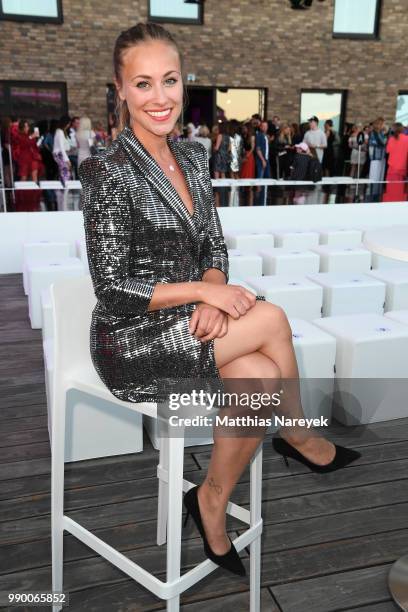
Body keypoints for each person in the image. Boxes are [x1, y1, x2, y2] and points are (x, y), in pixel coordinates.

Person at [79, 21, 361, 579]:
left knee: (257, 378)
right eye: (143, 84)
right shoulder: (106, 173)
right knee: (273, 316)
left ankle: (210, 499)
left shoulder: (193, 158)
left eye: (170, 80)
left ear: (184, 82)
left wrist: (211, 289)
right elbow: (113, 288)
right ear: (119, 89)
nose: (160, 98)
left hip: (190, 320)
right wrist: (205, 291)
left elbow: (212, 242)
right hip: (131, 335)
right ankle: (299, 433)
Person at [383, 122, 408, 202]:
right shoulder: (407, 139)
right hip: (402, 169)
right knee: (399, 193)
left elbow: (387, 151)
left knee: (391, 192)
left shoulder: (391, 139)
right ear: (402, 129)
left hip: (392, 169)